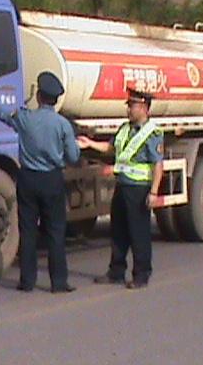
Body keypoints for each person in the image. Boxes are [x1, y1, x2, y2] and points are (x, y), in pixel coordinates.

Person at [0, 72, 80, 293]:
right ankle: (59, 282)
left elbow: (5, 116)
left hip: (28, 179)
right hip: (52, 179)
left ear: (38, 96)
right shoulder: (63, 125)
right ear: (55, 100)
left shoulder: (25, 118)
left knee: (27, 231)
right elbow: (73, 157)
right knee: (55, 231)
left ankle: (27, 281)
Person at [76, 89, 164, 290]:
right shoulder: (124, 129)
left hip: (139, 189)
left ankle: (141, 274)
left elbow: (158, 165)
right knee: (118, 231)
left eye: (132, 106)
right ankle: (116, 270)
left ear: (143, 107)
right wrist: (89, 143)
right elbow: (111, 148)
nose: (128, 109)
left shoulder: (152, 133)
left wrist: (153, 192)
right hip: (122, 186)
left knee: (139, 233)